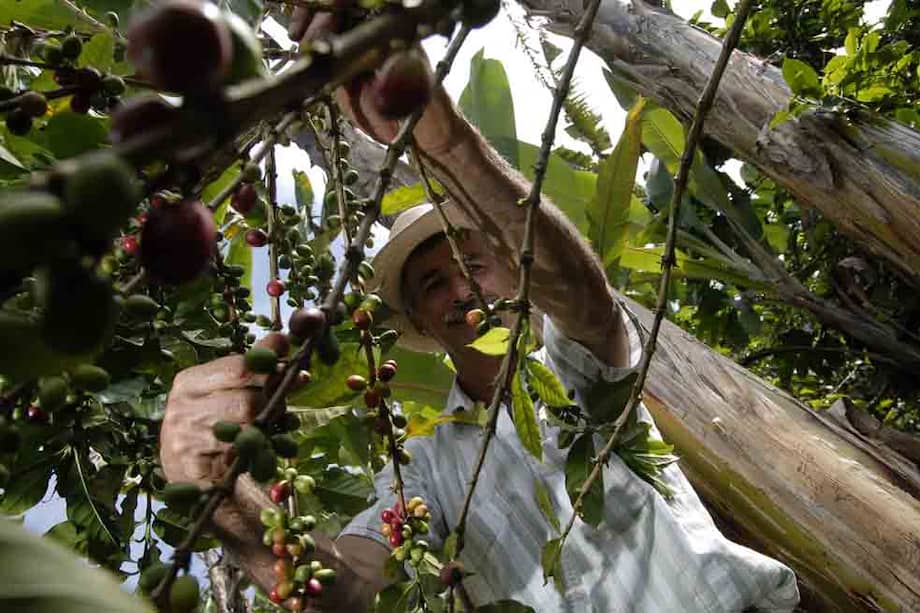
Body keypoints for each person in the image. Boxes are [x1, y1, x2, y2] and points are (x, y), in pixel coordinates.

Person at [158, 14, 801, 613]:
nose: (463, 289)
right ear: (423, 324)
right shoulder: (424, 467)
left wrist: (439, 135)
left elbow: (585, 300)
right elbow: (351, 587)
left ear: (514, 268)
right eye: (435, 283)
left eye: (474, 262)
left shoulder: (575, 373)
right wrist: (235, 508)